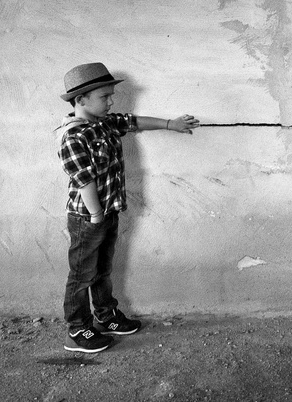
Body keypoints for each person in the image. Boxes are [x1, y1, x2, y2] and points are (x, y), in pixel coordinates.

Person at [57, 62, 200, 353]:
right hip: (87, 217)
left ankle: (105, 316)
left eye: (111, 95)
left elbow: (133, 122)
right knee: (82, 274)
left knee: (102, 269)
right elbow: (84, 180)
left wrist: (170, 124)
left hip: (107, 212)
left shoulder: (104, 123)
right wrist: (96, 215)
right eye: (105, 96)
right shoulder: (74, 136)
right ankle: (77, 329)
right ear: (81, 99)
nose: (111, 102)